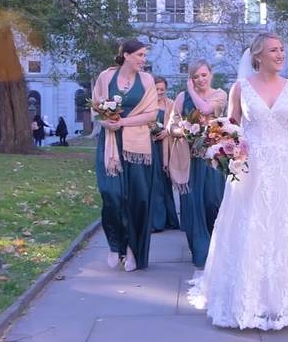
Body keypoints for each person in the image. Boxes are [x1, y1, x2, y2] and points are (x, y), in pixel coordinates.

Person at [188, 33, 288, 330]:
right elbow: (230, 127)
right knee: (251, 228)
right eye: (274, 50)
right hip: (250, 168)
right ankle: (250, 298)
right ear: (258, 56)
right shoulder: (240, 88)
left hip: (285, 165)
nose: (281, 54)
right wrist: (223, 152)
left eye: (283, 49)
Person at [92, 39, 159, 272]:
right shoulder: (106, 77)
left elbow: (151, 114)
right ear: (127, 55)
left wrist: (122, 122)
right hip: (110, 144)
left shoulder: (147, 80)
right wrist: (105, 121)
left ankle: (132, 249)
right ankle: (115, 244)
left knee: (136, 199)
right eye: (140, 55)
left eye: (144, 55)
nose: (143, 59)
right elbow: (95, 108)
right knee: (111, 194)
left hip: (137, 145)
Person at [168, 61, 227, 268]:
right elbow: (171, 125)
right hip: (189, 159)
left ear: (210, 74)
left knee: (212, 202)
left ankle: (216, 248)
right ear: (190, 79)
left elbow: (205, 109)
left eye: (203, 75)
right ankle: (199, 252)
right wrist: (182, 131)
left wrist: (191, 91)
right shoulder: (181, 98)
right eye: (195, 77)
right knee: (193, 206)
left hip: (212, 159)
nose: (200, 80)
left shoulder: (220, 94)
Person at [150, 76, 180, 232]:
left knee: (166, 182)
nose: (160, 92)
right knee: (154, 184)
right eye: (157, 89)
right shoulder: (146, 105)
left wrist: (166, 133)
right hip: (150, 148)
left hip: (166, 149)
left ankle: (170, 219)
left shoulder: (171, 104)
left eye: (162, 89)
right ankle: (157, 221)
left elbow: (177, 124)